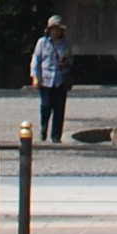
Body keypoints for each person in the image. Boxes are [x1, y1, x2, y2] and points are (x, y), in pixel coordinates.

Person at [30, 15, 74, 143]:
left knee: (59, 109)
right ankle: (44, 128)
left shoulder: (65, 43)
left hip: (60, 79)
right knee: (46, 105)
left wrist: (66, 62)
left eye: (57, 29)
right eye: (53, 29)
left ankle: (56, 136)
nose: (55, 31)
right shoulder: (42, 42)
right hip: (46, 79)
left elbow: (71, 59)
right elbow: (36, 60)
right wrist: (35, 77)